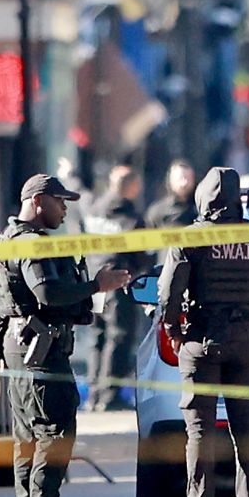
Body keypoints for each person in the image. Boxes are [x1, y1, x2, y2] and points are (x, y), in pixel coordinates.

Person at [0, 173, 130, 497]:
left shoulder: (7, 240)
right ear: (38, 201)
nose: (65, 210)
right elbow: (48, 294)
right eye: (59, 201)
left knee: (27, 436)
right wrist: (96, 286)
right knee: (57, 431)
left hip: (19, 346)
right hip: (40, 350)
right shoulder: (33, 244)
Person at [158, 167, 249, 497]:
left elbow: (168, 296)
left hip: (200, 342)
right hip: (245, 343)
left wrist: (174, 332)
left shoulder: (190, 238)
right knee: (247, 433)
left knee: (200, 433)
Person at [84, 163, 149, 411]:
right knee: (118, 338)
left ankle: (93, 394)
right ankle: (109, 395)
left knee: (97, 338)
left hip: (94, 281)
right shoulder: (131, 217)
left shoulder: (95, 209)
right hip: (118, 284)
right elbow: (141, 255)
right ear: (131, 186)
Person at [144, 159, 197, 230]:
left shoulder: (201, 209)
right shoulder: (157, 212)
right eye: (180, 178)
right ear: (171, 180)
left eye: (188, 178)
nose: (184, 183)